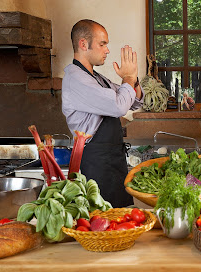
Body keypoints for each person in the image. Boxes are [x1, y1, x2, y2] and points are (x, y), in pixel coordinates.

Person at [62, 19, 144, 207]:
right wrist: (128, 78)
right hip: (97, 166)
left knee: (121, 222)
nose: (107, 50)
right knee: (103, 224)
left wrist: (133, 80)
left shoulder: (95, 78)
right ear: (83, 44)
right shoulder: (76, 80)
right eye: (102, 44)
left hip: (112, 160)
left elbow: (133, 100)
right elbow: (119, 106)